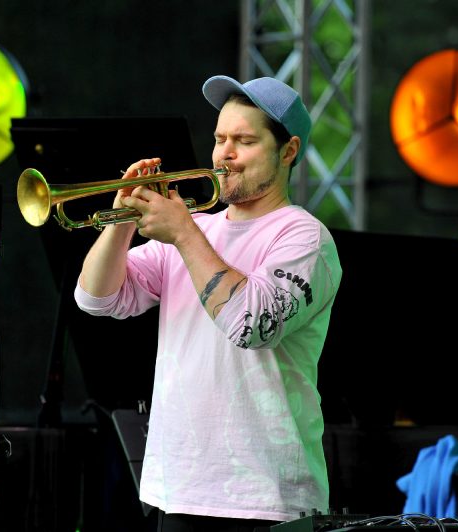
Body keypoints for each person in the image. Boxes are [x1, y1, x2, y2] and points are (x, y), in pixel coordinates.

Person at [74, 75, 342, 531]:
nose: (224, 154)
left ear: (288, 151)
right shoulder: (199, 230)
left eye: (245, 141)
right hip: (179, 488)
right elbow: (95, 299)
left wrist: (182, 232)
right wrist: (122, 219)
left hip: (266, 496)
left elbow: (252, 326)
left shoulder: (304, 237)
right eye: (220, 139)